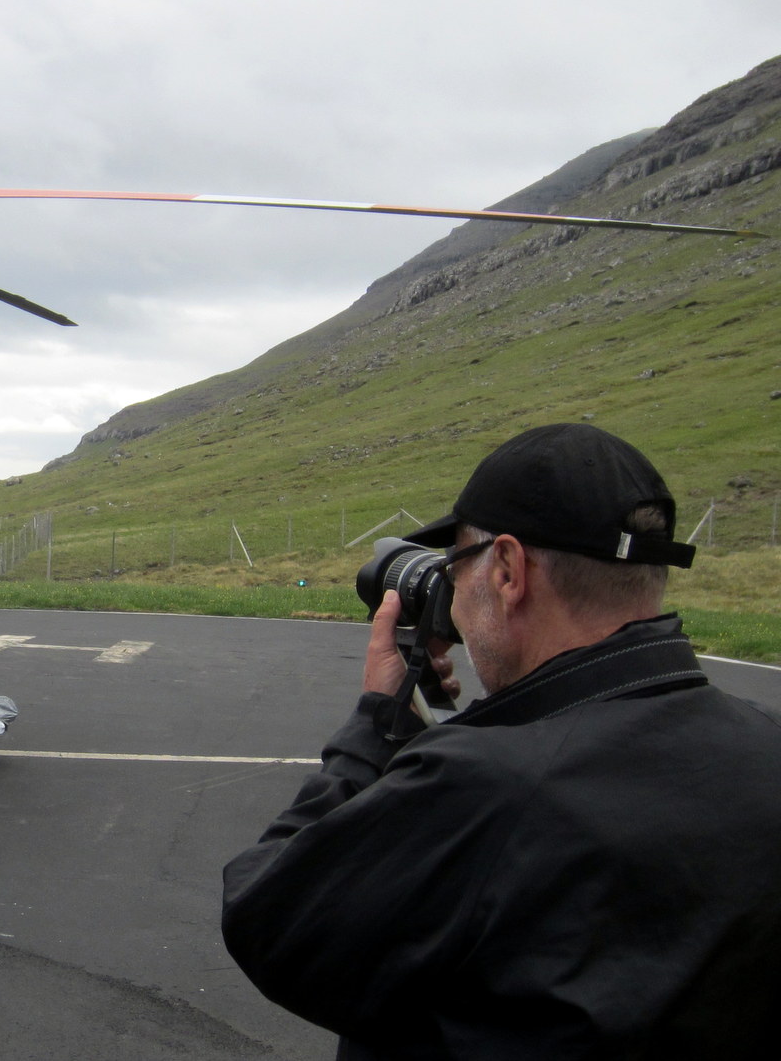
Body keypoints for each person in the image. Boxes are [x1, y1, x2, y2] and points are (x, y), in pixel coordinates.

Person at [220, 423, 781, 1060]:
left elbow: (268, 916)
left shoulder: (486, 784)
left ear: (509, 570)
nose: (454, 600)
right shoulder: (766, 740)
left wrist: (378, 723)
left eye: (457, 568)